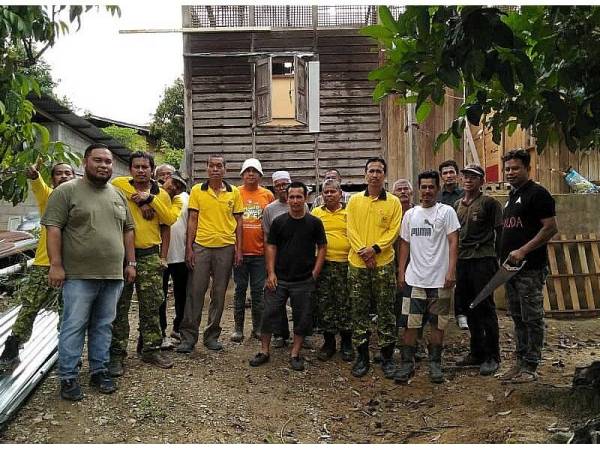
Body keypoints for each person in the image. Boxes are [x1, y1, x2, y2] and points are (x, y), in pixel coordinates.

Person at [42, 143, 136, 401]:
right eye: (98, 160)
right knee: (73, 325)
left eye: (107, 162)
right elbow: (53, 228)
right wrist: (56, 264)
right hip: (78, 275)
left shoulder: (117, 194)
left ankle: (99, 370)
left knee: (104, 325)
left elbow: (128, 229)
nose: (104, 165)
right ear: (85, 162)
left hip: (112, 275)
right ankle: (68, 376)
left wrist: (131, 263)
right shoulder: (66, 191)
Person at [109, 151, 181, 376]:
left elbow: (168, 221)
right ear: (130, 169)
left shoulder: (162, 195)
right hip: (121, 257)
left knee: (151, 306)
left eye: (145, 167)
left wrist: (150, 199)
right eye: (136, 166)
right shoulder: (120, 185)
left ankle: (150, 348)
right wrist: (138, 200)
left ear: (152, 170)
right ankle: (117, 353)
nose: (141, 170)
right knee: (119, 307)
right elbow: (119, 186)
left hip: (150, 255)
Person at [0, 162, 75, 371]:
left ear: (75, 176)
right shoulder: (49, 196)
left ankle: (66, 351)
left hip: (72, 267)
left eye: (67, 173)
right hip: (44, 264)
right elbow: (38, 186)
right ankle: (13, 347)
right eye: (58, 174)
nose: (63, 176)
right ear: (52, 179)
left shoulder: (81, 200)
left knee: (67, 310)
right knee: (30, 307)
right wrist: (34, 176)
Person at [249, 181, 326, 371]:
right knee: (268, 314)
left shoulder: (314, 222)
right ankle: (264, 351)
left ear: (306, 198)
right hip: (280, 278)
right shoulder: (279, 222)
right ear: (287, 198)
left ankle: (295, 353)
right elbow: (271, 246)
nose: (295, 200)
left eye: (299, 197)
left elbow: (322, 247)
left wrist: (315, 272)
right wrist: (271, 272)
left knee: (302, 317)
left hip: (303, 279)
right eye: (292, 197)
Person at [498, 149, 557, 384]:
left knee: (532, 316)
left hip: (530, 268)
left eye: (515, 168)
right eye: (508, 168)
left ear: (527, 168)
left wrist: (523, 250)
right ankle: (520, 361)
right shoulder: (512, 196)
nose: (510, 172)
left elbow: (550, 228)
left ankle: (531, 365)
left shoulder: (538, 194)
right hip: (510, 269)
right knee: (517, 316)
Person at [395, 170, 460, 384]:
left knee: (438, 323)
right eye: (423, 187)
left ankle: (435, 363)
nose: (427, 191)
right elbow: (404, 243)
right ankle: (407, 363)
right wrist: (401, 271)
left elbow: (453, 242)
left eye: (431, 187)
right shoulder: (410, 215)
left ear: (437, 189)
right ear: (418, 189)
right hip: (415, 280)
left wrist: (451, 271)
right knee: (410, 323)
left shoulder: (447, 212)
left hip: (440, 280)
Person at [176, 155, 243, 353]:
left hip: (226, 247)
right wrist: (189, 247)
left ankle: (212, 335)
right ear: (206, 169)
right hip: (202, 247)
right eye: (211, 166)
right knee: (195, 292)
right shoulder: (197, 190)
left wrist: (239, 249)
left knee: (219, 293)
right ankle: (188, 337)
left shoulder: (234, 193)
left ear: (225, 169)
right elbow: (192, 219)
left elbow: (239, 222)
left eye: (219, 166)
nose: (215, 169)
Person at [346, 157, 402, 378]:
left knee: (385, 311)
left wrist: (375, 250)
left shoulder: (394, 202)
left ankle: (387, 357)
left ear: (384, 175)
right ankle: (362, 357)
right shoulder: (354, 201)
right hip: (357, 264)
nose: (375, 174)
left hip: (384, 264)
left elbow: (393, 231)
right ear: (365, 174)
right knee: (358, 311)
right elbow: (350, 229)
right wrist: (363, 251)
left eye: (379, 171)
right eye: (371, 171)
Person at [454, 165, 503, 376]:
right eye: (466, 176)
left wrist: (498, 257)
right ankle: (476, 351)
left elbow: (500, 232)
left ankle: (493, 355)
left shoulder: (490, 203)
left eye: (474, 177)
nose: (468, 180)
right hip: (463, 260)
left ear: (481, 181)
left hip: (483, 259)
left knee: (485, 307)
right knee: (469, 306)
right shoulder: (457, 204)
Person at [261, 170, 308, 348]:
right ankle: (280, 334)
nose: (281, 188)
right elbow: (267, 238)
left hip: (298, 262)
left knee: (300, 303)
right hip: (277, 261)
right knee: (275, 301)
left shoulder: (302, 206)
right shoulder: (269, 210)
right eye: (278, 185)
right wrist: (269, 266)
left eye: (284, 184)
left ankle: (302, 335)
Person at [231, 158, 274, 342]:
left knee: (258, 292)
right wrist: (235, 249)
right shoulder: (234, 193)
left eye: (254, 171)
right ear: (242, 174)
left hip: (259, 253)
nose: (250, 174)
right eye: (247, 171)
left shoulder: (267, 195)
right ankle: (238, 329)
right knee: (239, 290)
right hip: (240, 251)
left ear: (260, 175)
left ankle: (257, 328)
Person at [311, 179, 353, 362]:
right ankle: (329, 343)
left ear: (340, 193)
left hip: (346, 264)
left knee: (345, 304)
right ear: (321, 195)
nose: (329, 195)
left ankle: (346, 343)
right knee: (325, 304)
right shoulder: (316, 213)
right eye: (325, 192)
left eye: (332, 192)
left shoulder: (350, 212)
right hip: (323, 265)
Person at [159, 171, 189, 348]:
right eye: (172, 182)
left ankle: (178, 328)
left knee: (182, 294)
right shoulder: (152, 195)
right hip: (158, 256)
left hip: (181, 254)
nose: (174, 187)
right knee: (159, 297)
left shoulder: (186, 198)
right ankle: (161, 332)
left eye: (178, 185)